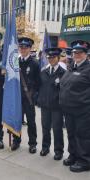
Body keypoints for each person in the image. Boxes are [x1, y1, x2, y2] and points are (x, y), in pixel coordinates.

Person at [60, 40, 90, 172]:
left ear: (86, 54)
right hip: (69, 109)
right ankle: (73, 155)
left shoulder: (88, 69)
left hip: (83, 110)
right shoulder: (71, 67)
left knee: (82, 136)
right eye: (74, 52)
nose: (76, 54)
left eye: (80, 52)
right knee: (71, 134)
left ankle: (84, 161)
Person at [11, 37, 40, 153]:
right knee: (16, 120)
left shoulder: (35, 63)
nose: (23, 49)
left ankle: (32, 144)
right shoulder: (15, 62)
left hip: (29, 98)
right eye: (21, 47)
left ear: (30, 48)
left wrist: (35, 97)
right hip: (17, 98)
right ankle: (16, 141)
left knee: (31, 122)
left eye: (26, 47)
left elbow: (39, 82)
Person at [37, 48, 65, 160]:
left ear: (58, 58)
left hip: (57, 107)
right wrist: (39, 100)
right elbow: (39, 87)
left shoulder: (63, 73)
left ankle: (58, 151)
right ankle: (45, 147)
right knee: (45, 128)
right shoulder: (43, 71)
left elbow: (64, 91)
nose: (51, 59)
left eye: (53, 57)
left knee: (57, 129)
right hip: (45, 106)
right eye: (49, 57)